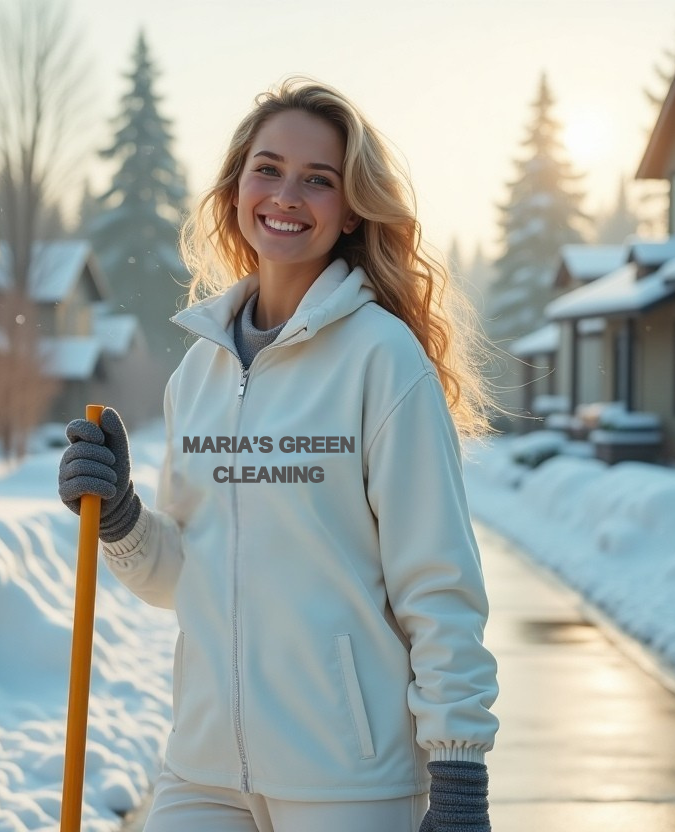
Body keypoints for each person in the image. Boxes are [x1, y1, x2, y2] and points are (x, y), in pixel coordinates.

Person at [59, 77, 499, 832]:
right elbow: (187, 579)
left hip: (348, 784)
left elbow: (439, 582)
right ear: (236, 188)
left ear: (351, 206)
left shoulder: (382, 360)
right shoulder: (200, 369)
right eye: (268, 169)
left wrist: (459, 772)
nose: (286, 195)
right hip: (201, 773)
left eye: (317, 179)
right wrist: (123, 516)